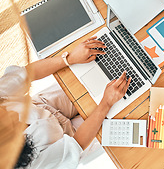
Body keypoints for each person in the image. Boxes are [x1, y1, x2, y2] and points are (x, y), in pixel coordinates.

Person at [0, 36, 131, 169]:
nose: (15, 114)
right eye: (12, 122)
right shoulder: (31, 165)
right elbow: (76, 143)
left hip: (46, 105)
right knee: (123, 108)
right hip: (71, 137)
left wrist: (69, 59)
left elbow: (27, 74)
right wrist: (106, 103)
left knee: (99, 76)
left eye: (4, 109)